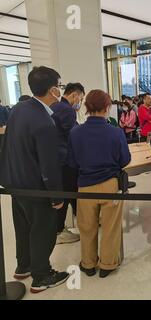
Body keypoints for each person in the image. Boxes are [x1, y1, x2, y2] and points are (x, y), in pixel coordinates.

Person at [0, 66, 69, 293]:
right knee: (43, 229)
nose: (61, 89)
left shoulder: (19, 109)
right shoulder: (44, 122)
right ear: (52, 90)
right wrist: (56, 196)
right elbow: (48, 165)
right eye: (59, 86)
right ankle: (41, 275)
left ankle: (24, 265)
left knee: (23, 227)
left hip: (14, 182)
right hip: (35, 187)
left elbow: (8, 145)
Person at [67, 89, 131, 278]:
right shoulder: (115, 132)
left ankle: (88, 264)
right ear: (107, 107)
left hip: (85, 185)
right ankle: (107, 265)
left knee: (87, 227)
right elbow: (125, 159)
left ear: (86, 107)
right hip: (110, 184)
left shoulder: (75, 132)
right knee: (111, 227)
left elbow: (71, 162)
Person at [51, 82, 85, 245]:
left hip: (56, 159)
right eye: (81, 98)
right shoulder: (66, 110)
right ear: (75, 95)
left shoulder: (55, 107)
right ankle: (59, 230)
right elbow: (73, 135)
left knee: (69, 192)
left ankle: (79, 221)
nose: (80, 102)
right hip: (65, 160)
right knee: (68, 192)